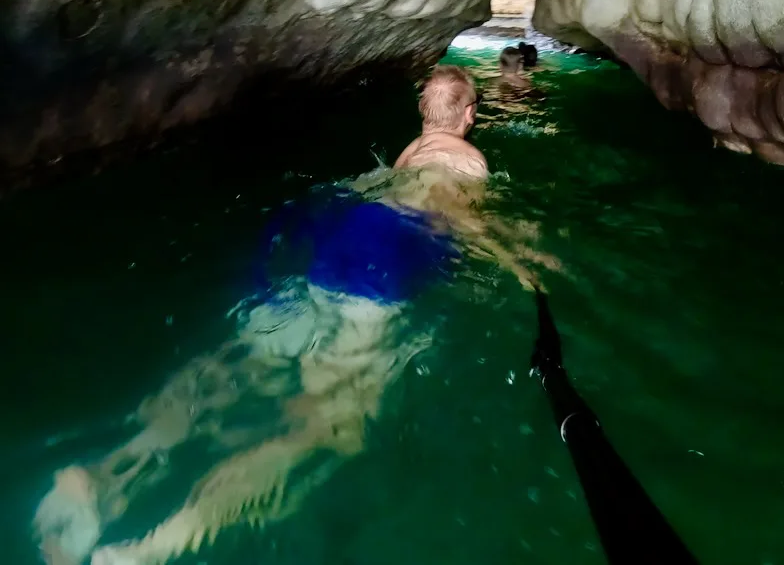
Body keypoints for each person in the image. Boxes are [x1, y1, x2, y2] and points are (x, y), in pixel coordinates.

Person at [34, 65, 544, 565]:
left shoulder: (407, 155)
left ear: (421, 111)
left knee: (243, 370)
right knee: (332, 429)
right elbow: (458, 221)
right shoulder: (469, 160)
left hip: (330, 248)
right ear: (470, 114)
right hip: (378, 271)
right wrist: (524, 264)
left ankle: (102, 474)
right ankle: (152, 549)